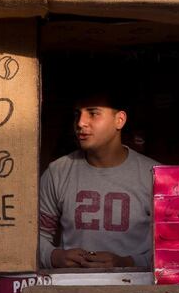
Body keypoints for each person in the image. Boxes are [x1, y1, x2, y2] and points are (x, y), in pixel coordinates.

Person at [39, 88, 157, 269]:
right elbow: (35, 236)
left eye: (93, 113)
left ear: (119, 120)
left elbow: (175, 246)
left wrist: (126, 263)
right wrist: (54, 256)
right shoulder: (58, 172)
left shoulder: (155, 175)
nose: (80, 123)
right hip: (70, 291)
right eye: (77, 114)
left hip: (138, 291)